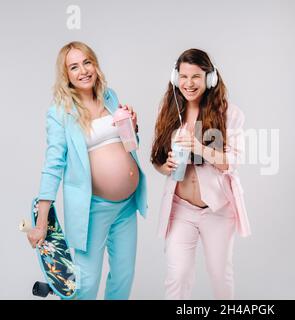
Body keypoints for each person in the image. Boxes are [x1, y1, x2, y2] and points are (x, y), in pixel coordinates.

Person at [27, 41, 148, 300]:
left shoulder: (109, 96)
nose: (83, 70)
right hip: (93, 209)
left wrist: (133, 128)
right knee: (85, 282)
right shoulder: (60, 112)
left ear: (95, 64)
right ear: (66, 75)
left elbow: (126, 145)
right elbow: (53, 164)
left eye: (87, 62)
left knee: (124, 275)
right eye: (74, 66)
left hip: (127, 206)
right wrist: (41, 222)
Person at [151, 48, 250, 299]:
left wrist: (200, 148)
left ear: (209, 78)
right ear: (176, 79)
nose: (189, 84)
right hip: (181, 209)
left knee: (220, 276)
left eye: (196, 77)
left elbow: (232, 162)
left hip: (216, 210)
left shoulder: (229, 114)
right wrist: (166, 166)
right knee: (177, 276)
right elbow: (157, 160)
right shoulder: (170, 110)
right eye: (183, 77)